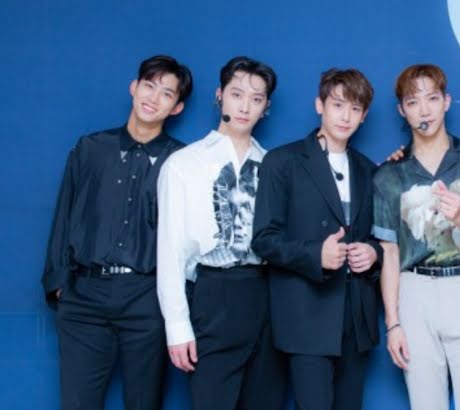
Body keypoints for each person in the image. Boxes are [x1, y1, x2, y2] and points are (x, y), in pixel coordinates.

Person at [42, 55, 192, 410]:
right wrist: (59, 284)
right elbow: (64, 214)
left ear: (177, 107)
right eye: (149, 86)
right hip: (85, 295)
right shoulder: (91, 149)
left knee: (144, 402)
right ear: (134, 87)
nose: (153, 98)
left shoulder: (182, 161)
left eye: (166, 93)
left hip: (146, 296)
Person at [156, 56, 286, 410]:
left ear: (266, 107)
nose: (245, 107)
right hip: (213, 293)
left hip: (267, 292)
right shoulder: (184, 164)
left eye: (256, 99)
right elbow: (170, 251)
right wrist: (177, 326)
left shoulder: (274, 165)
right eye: (236, 94)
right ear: (220, 96)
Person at [374, 64, 460, 410]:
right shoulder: (389, 174)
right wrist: (393, 323)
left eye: (432, 98)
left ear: (446, 102)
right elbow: (389, 254)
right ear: (402, 110)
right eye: (413, 102)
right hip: (413, 291)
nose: (424, 110)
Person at [252, 68, 382, 410]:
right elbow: (263, 239)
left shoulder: (369, 170)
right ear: (319, 105)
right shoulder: (283, 161)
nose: (345, 116)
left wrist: (373, 254)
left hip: (356, 319)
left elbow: (379, 238)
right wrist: (315, 254)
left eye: (355, 109)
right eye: (338, 105)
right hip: (307, 315)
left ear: (364, 116)